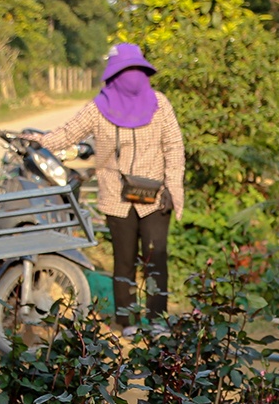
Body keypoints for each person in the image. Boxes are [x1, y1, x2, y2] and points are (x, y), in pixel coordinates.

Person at [33, 43, 183, 329]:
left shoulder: (160, 103)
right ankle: (127, 319)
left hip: (156, 196)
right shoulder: (98, 107)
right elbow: (68, 133)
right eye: (126, 71)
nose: (132, 77)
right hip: (117, 196)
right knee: (124, 260)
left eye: (136, 70)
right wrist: (39, 140)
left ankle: (157, 319)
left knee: (156, 259)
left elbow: (174, 147)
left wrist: (174, 190)